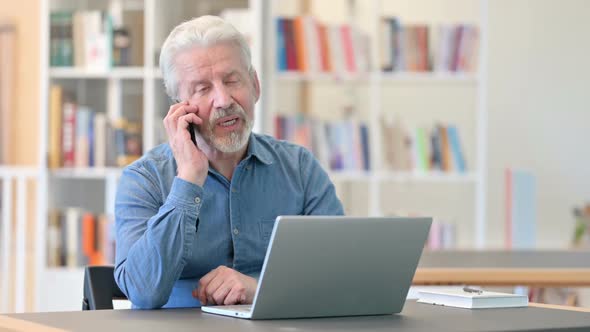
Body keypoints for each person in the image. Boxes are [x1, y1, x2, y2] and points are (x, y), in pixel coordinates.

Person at [114, 15, 344, 309]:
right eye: (202, 89)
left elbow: (338, 275)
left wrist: (257, 289)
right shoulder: (143, 180)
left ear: (255, 85)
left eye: (232, 80)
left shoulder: (299, 168)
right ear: (179, 108)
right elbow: (143, 292)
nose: (223, 100)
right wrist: (188, 180)